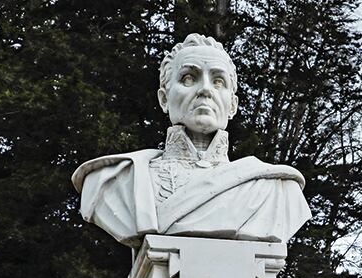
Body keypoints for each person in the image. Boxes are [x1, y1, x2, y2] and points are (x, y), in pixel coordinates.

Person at [71, 33, 311, 249]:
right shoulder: (116, 180)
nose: (205, 90)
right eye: (188, 78)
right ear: (164, 99)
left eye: (218, 81)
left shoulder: (277, 191)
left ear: (233, 105)